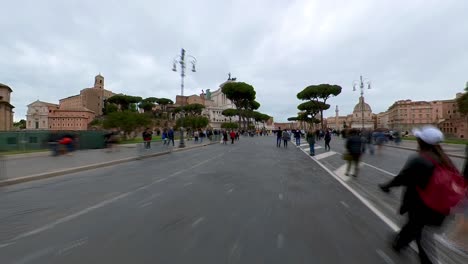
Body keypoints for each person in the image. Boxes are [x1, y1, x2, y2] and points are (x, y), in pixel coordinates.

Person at [378, 126, 461, 264]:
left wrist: (386, 186)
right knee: (414, 229)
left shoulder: (419, 159)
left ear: (421, 142)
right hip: (440, 207)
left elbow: (402, 178)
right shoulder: (446, 159)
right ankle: (399, 244)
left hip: (421, 205)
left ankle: (422, 258)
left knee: (419, 235)